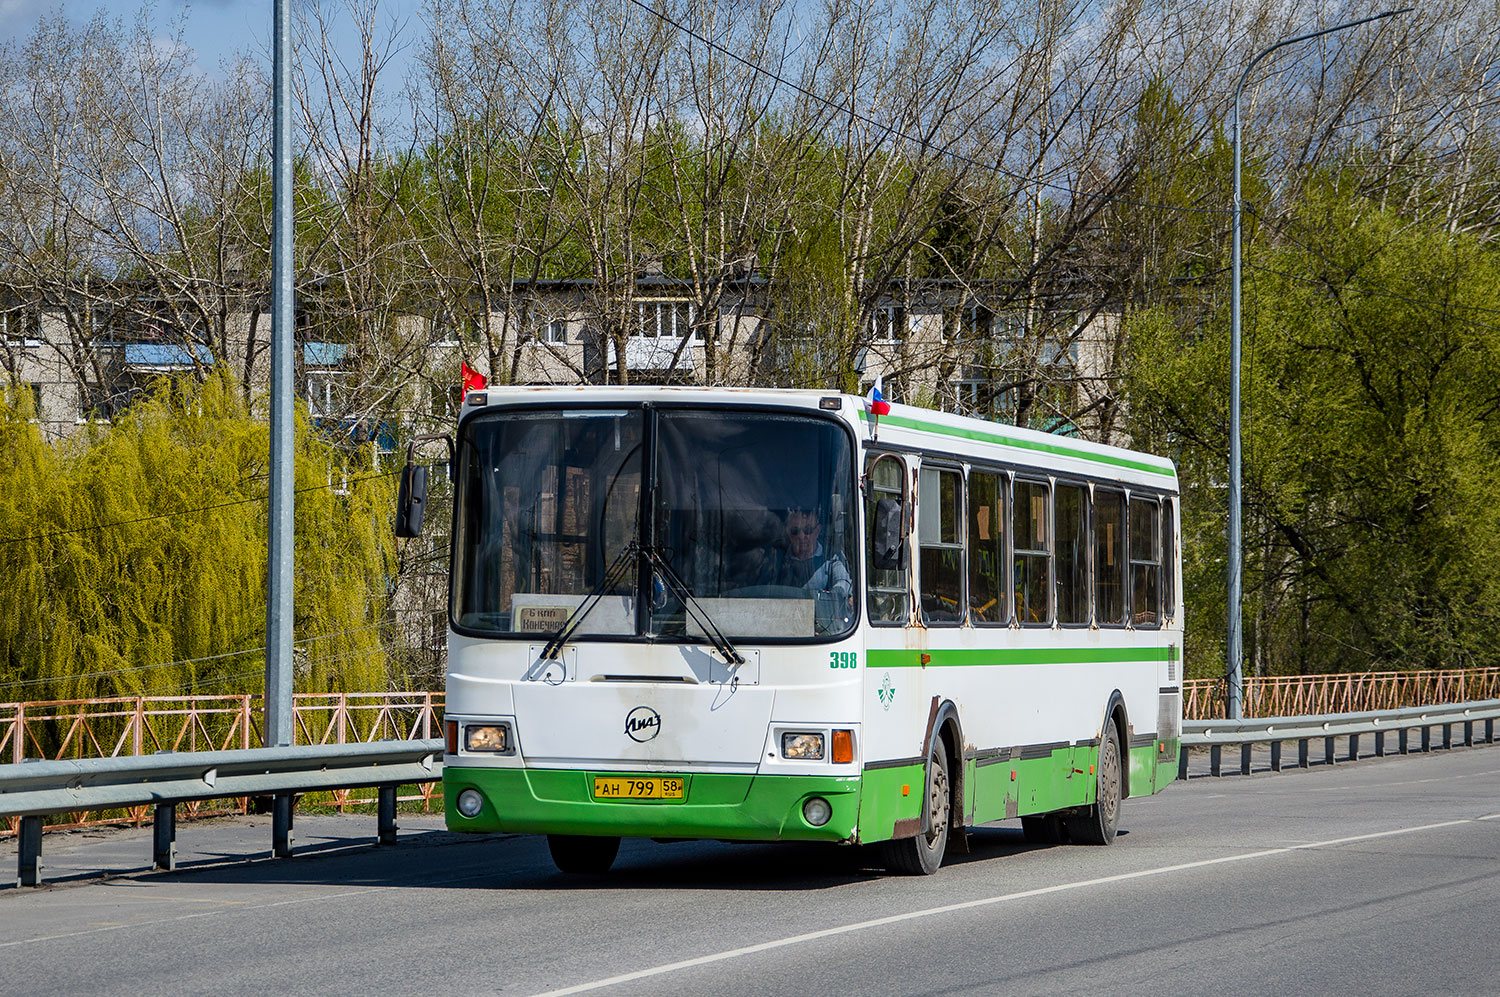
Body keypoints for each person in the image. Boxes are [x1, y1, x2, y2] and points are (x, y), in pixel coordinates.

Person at [764, 506, 852, 604]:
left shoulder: (832, 557)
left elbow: (843, 583)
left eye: (808, 530)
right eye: (795, 531)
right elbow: (763, 590)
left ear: (817, 531)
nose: (801, 536)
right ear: (787, 532)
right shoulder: (776, 558)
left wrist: (834, 594)